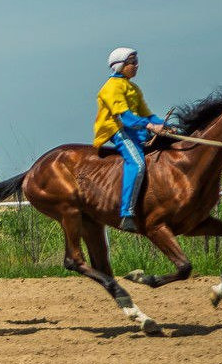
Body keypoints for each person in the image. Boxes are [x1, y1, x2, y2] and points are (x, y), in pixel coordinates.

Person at [93, 47, 167, 233]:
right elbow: (125, 118)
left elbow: (146, 114)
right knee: (137, 164)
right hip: (116, 129)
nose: (136, 65)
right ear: (120, 66)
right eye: (132, 62)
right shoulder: (111, 87)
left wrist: (163, 124)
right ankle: (127, 213)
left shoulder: (133, 87)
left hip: (134, 129)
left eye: (136, 62)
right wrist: (150, 126)